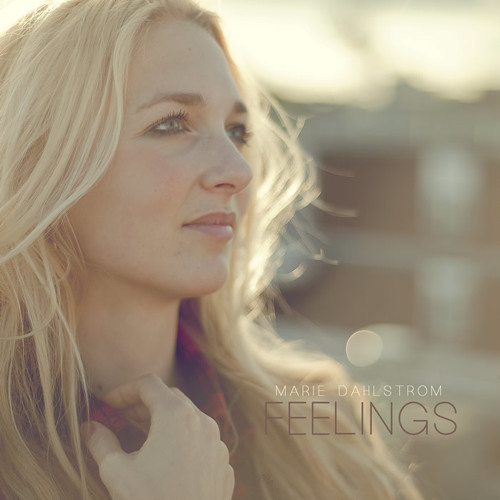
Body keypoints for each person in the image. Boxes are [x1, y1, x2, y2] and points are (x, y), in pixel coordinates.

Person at [0, 0, 424, 498]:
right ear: (40, 166)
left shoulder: (326, 425)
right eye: (171, 124)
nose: (238, 172)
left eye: (237, 132)